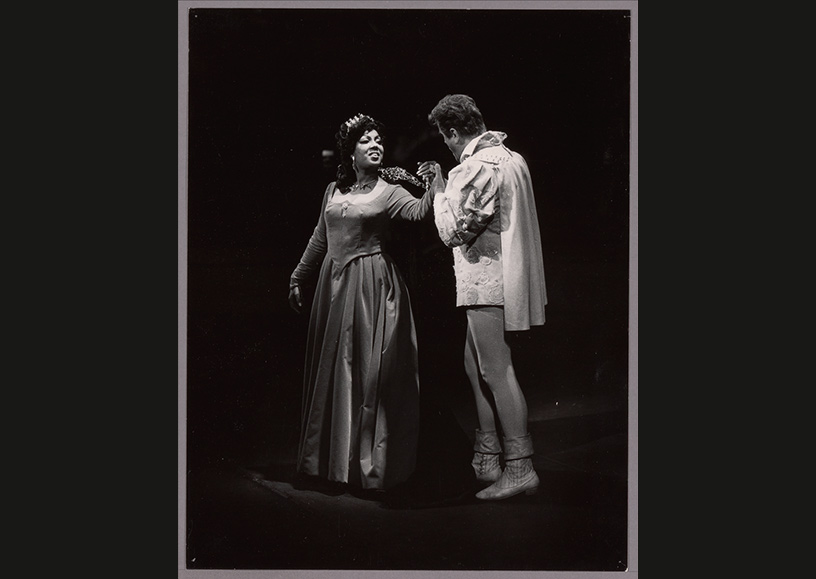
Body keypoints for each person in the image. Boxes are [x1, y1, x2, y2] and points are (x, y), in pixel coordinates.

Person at [288, 113, 441, 495]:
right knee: (336, 370)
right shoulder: (332, 190)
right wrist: (298, 275)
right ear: (350, 151)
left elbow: (419, 211)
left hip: (372, 286)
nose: (376, 145)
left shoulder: (389, 189)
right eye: (366, 140)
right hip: (333, 287)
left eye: (379, 140)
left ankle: (366, 467)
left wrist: (435, 182)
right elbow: (320, 237)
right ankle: (331, 464)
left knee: (368, 373)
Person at [417, 94, 548, 501]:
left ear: (453, 132)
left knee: (495, 370)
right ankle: (489, 453)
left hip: (489, 280)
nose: (448, 146)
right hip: (493, 276)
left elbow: (453, 231)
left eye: (446, 138)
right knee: (474, 365)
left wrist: (439, 189)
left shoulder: (478, 166)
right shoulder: (511, 158)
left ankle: (520, 466)